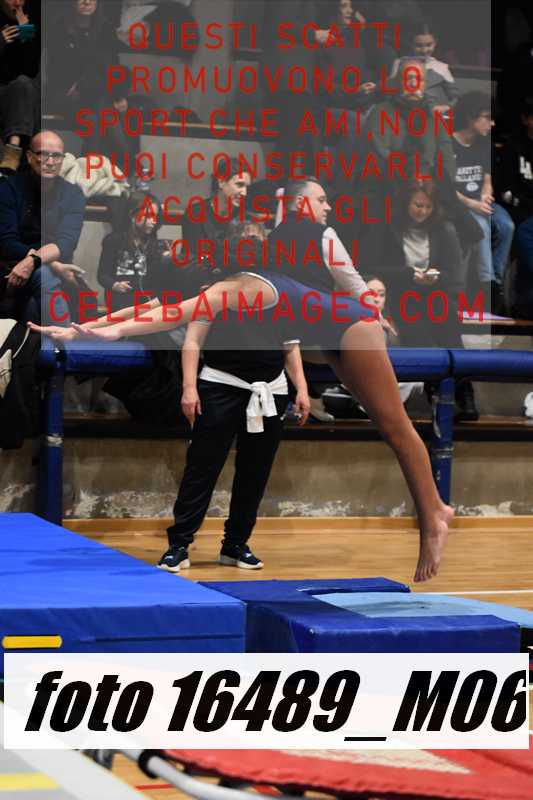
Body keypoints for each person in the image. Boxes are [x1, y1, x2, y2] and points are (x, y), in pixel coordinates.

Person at [31, 177, 454, 583]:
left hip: (354, 326)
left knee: (395, 427)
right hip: (331, 334)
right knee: (387, 426)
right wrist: (84, 329)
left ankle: (434, 513)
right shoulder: (224, 285)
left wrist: (113, 332)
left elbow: (171, 314)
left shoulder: (243, 288)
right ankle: (433, 511)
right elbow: (156, 306)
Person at [158, 222, 310, 573]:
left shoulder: (280, 293)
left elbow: (290, 346)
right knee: (202, 467)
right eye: (246, 241)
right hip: (220, 385)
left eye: (257, 241)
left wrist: (301, 388)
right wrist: (189, 387)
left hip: (270, 390)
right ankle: (179, 545)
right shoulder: (216, 291)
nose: (252, 247)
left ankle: (236, 544)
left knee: (255, 471)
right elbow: (192, 340)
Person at [0, 130, 86, 324]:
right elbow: (7, 242)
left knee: (35, 303)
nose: (50, 161)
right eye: (43, 154)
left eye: (57, 156)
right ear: (30, 157)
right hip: (12, 266)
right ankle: (63, 341)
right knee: (43, 275)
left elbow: (65, 244)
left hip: (53, 269)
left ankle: (55, 342)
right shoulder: (8, 188)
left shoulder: (73, 194)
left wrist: (33, 261)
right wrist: (45, 263)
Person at [452, 92, 515, 313]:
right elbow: (445, 187)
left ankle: (496, 280)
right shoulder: (448, 143)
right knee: (481, 227)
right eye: (487, 117)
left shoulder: (484, 145)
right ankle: (487, 284)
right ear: (471, 117)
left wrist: (485, 197)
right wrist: (473, 204)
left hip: (480, 201)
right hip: (458, 203)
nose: (492, 123)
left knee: (506, 225)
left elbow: (487, 180)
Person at [44, 0, 118, 114]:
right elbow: (56, 67)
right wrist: (73, 90)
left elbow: (112, 66)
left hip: (97, 90)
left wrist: (118, 96)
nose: (87, 2)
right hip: (67, 93)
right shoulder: (59, 27)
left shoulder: (106, 29)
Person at [499, 97, 533, 317]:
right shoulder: (513, 147)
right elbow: (506, 191)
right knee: (524, 231)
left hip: (527, 209)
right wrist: (521, 201)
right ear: (525, 119)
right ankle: (522, 300)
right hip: (519, 212)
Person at [0, 0, 40, 174]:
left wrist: (26, 33)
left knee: (23, 84)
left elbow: (30, 70)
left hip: (20, 94)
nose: (17, 2)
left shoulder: (31, 20)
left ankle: (13, 149)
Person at [390, 23, 458, 114]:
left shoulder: (442, 67)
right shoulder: (400, 63)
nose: (424, 50)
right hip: (401, 112)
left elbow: (455, 97)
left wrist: (446, 107)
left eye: (429, 45)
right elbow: (389, 89)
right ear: (411, 44)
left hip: (428, 114)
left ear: (435, 43)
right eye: (419, 45)